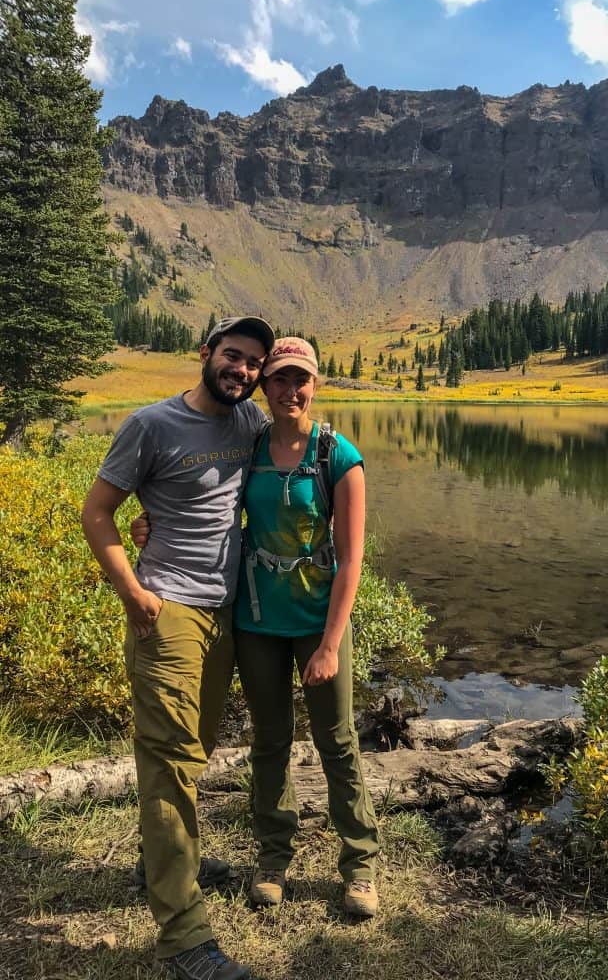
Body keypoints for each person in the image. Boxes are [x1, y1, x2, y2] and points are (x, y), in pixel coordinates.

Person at [81, 315, 274, 980]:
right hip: (167, 611)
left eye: (253, 363)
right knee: (168, 763)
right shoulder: (150, 424)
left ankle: (163, 863)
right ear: (205, 355)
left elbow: (281, 468)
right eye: (232, 356)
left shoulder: (249, 425)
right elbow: (98, 510)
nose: (241, 370)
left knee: (192, 751)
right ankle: (184, 938)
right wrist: (133, 592)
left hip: (223, 615)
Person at [234, 336, 380, 918]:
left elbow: (351, 560)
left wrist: (328, 645)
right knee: (268, 741)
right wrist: (151, 526)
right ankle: (273, 859)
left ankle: (360, 867)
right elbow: (204, 507)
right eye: (279, 380)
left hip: (320, 625)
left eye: (301, 380)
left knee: (337, 743)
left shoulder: (338, 456)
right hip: (257, 621)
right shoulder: (248, 450)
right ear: (264, 387)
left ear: (315, 386)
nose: (290, 391)